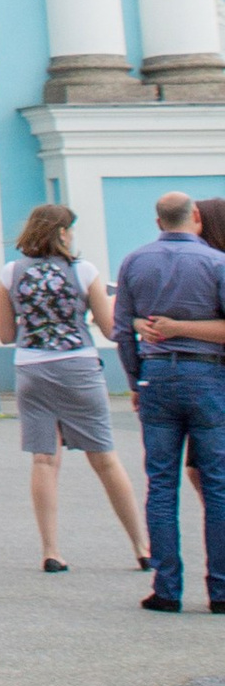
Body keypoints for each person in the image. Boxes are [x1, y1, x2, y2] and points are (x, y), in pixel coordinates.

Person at [0, 203, 151, 578]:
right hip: (78, 365)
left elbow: (5, 334)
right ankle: (141, 547)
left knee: (44, 459)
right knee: (105, 457)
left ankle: (51, 550)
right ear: (63, 233)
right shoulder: (84, 271)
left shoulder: (10, 273)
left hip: (31, 368)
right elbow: (112, 329)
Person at [111, 191, 225, 615]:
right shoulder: (217, 263)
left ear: (158, 222)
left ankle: (167, 588)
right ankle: (221, 589)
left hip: (157, 376)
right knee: (217, 485)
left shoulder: (135, 262)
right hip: (208, 377)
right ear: (195, 216)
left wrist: (135, 380)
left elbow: (123, 331)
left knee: (161, 483)